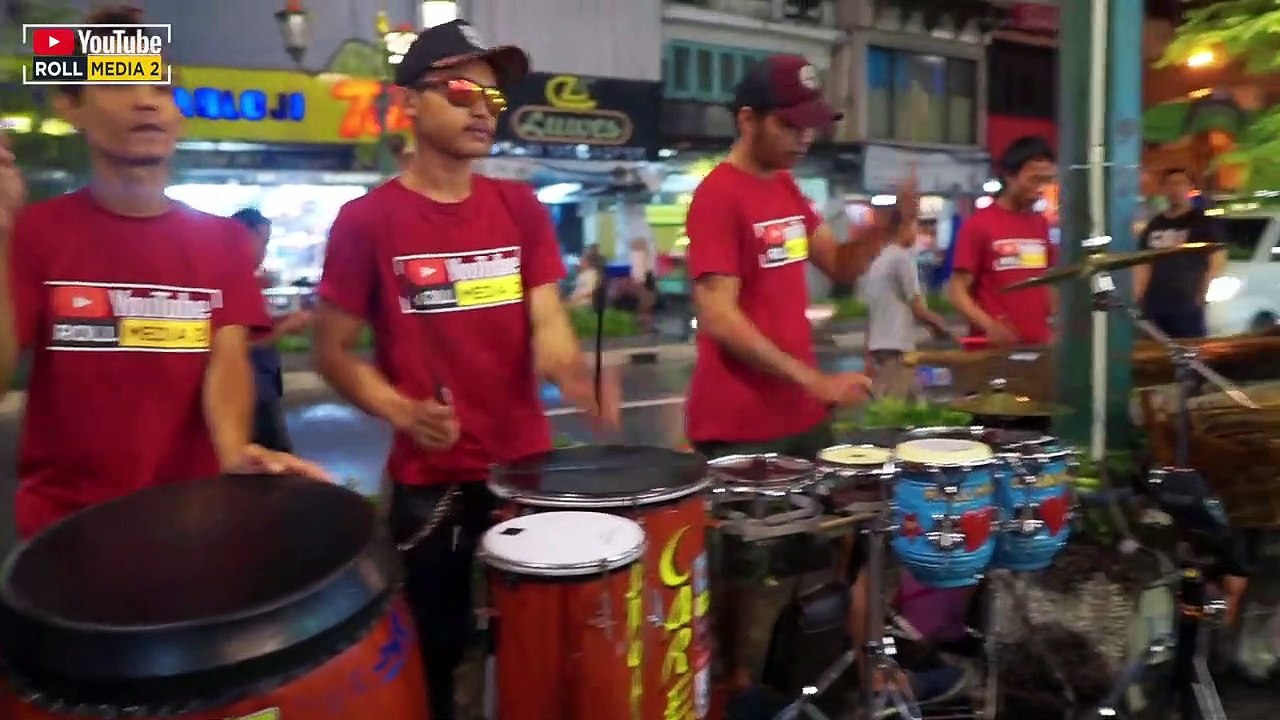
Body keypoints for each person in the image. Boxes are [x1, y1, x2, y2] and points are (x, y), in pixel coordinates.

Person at [311, 20, 620, 720]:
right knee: (436, 652)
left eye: (492, 97)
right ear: (410, 105)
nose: (482, 107)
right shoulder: (367, 222)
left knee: (540, 645)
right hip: (432, 486)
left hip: (525, 473)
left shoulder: (520, 208)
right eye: (460, 91)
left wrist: (573, 373)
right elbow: (329, 353)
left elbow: (546, 321)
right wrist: (402, 412)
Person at [0, 6, 327, 540]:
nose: (146, 98)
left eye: (159, 84)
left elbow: (225, 358)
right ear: (70, 104)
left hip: (191, 525)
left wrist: (233, 452)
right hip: (65, 536)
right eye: (116, 81)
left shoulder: (221, 240)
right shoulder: (34, 232)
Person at [948, 136, 1058, 347]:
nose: (1040, 188)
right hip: (992, 353)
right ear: (1009, 175)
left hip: (1037, 347)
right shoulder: (979, 224)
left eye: (1046, 181)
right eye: (1034, 179)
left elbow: (1047, 281)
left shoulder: (1041, 224)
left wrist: (1053, 322)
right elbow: (957, 291)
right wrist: (989, 326)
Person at [231, 208, 311, 452]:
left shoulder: (254, 281)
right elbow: (235, 345)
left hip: (264, 388)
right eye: (263, 241)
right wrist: (285, 328)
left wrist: (285, 322)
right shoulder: (229, 283)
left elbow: (259, 328)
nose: (263, 251)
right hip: (245, 390)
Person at [862, 208, 954, 399]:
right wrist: (943, 328)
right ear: (903, 226)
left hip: (881, 346)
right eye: (915, 226)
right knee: (894, 409)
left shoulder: (879, 260)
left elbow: (873, 312)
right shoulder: (902, 258)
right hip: (897, 348)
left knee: (912, 401)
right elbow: (917, 307)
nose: (917, 231)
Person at [1133, 168, 1225, 338]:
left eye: (1180, 183)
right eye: (1169, 184)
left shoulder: (1203, 223)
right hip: (1154, 304)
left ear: (1190, 188)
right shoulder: (1155, 224)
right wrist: (1137, 296)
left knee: (1189, 354)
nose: (1174, 189)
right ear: (1163, 189)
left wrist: (1202, 294)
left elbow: (1217, 259)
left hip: (1186, 305)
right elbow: (1143, 264)